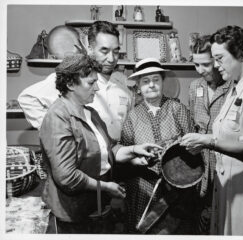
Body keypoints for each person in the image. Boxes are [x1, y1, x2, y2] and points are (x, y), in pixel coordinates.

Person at [40, 53, 161, 233]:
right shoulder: (57, 118)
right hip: (73, 213)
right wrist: (105, 187)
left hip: (97, 207)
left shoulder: (90, 113)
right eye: (90, 83)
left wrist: (135, 151)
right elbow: (66, 177)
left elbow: (110, 148)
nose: (96, 88)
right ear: (70, 84)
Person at [180, 25, 243, 235]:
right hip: (229, 185)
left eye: (219, 58)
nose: (216, 66)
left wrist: (209, 142)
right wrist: (202, 138)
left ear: (241, 55)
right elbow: (227, 133)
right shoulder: (236, 89)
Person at [120, 58, 199, 234]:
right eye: (145, 82)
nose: (152, 85)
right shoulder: (132, 116)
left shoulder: (177, 109)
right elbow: (124, 153)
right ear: (138, 87)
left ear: (163, 82)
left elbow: (193, 146)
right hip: (144, 188)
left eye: (156, 80)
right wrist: (137, 161)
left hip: (178, 187)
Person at [18, 20, 132, 141]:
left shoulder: (122, 87)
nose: (111, 58)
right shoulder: (74, 77)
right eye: (104, 51)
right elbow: (27, 98)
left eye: (116, 51)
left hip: (117, 155)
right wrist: (55, 130)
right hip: (84, 156)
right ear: (90, 49)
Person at [188, 34, 232, 234]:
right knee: (201, 215)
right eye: (196, 65)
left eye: (205, 64)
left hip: (224, 160)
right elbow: (192, 124)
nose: (200, 70)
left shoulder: (231, 86)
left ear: (216, 60)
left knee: (223, 215)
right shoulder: (195, 87)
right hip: (201, 165)